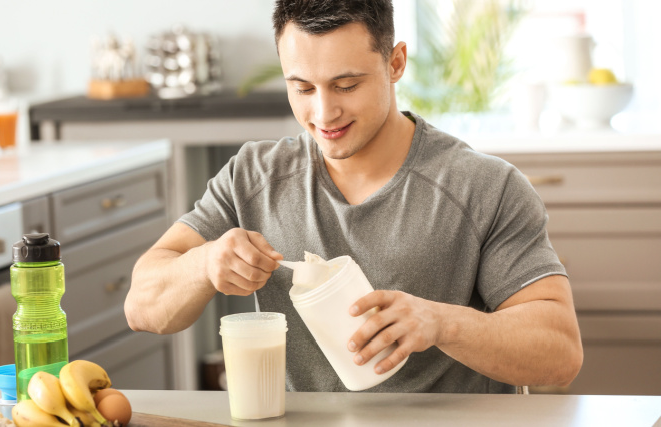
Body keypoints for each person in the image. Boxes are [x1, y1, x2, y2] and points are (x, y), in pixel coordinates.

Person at [125, 0, 583, 393]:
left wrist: (442, 323)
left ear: (396, 63)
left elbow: (560, 352)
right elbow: (142, 307)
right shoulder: (254, 176)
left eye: (346, 85)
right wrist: (204, 263)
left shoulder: (484, 187)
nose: (323, 113)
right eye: (301, 88)